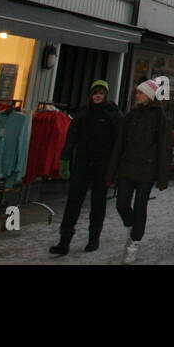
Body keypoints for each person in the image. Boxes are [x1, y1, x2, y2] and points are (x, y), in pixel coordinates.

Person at [50, 79, 122, 255]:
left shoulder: (113, 115)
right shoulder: (83, 114)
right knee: (73, 202)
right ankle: (64, 241)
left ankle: (93, 238)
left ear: (106, 95)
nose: (97, 96)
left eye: (101, 93)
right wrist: (65, 160)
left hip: (102, 166)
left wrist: (116, 167)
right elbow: (71, 139)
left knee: (98, 203)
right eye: (95, 93)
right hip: (82, 164)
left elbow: (119, 143)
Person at [107, 79, 171, 264]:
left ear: (149, 96)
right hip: (127, 167)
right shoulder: (131, 116)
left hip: (147, 169)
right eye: (137, 93)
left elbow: (163, 147)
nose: (137, 96)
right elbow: (120, 144)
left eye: (140, 93)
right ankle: (133, 227)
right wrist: (111, 172)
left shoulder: (159, 117)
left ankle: (134, 242)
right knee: (121, 203)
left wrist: (162, 177)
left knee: (141, 205)